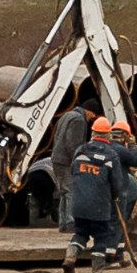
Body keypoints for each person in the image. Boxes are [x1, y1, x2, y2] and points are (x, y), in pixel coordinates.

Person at [64, 115, 137, 273]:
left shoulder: (81, 150)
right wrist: (114, 197)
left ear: (93, 133)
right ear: (107, 135)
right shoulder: (111, 155)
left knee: (80, 233)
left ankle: (70, 258)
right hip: (100, 205)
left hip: (78, 204)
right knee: (102, 236)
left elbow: (73, 171)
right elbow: (117, 183)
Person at [48, 92, 99, 232]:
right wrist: (79, 160)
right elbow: (73, 144)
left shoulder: (67, 115)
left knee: (64, 191)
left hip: (57, 158)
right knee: (71, 191)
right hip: (66, 160)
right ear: (89, 111)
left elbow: (57, 135)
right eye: (93, 114)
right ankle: (70, 223)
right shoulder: (78, 120)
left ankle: (63, 224)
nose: (93, 118)